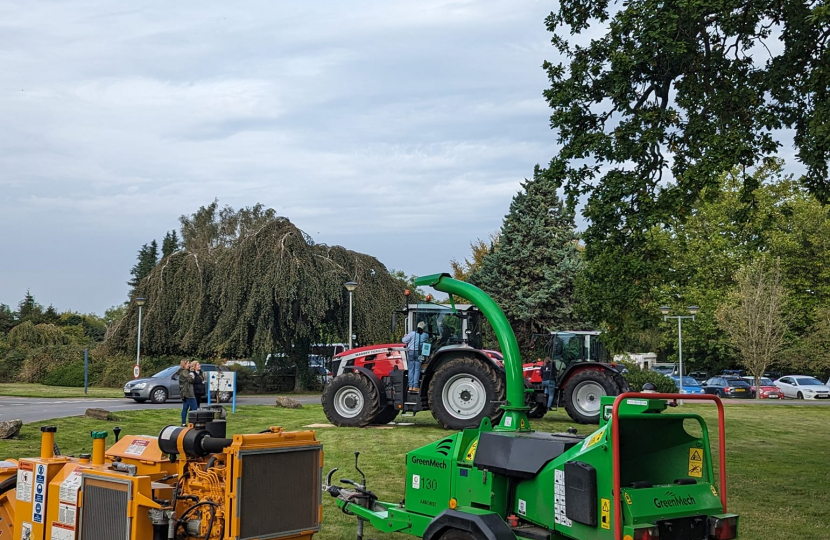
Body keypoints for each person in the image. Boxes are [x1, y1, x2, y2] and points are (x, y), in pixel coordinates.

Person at [402, 321, 429, 392]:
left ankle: (410, 386)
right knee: (417, 369)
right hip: (419, 353)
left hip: (410, 352)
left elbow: (404, 340)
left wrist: (405, 336)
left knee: (411, 369)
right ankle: (415, 386)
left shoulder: (412, 334)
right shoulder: (425, 335)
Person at [178, 359, 197, 426]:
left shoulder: (181, 372)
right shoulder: (185, 372)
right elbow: (191, 380)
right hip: (188, 392)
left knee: (185, 408)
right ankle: (192, 422)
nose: (189, 365)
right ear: (184, 364)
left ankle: (183, 423)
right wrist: (191, 374)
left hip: (183, 392)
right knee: (194, 407)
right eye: (188, 363)